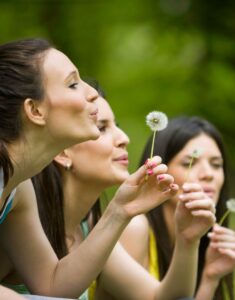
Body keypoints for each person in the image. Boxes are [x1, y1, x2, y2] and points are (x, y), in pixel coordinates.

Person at [0, 38, 177, 299]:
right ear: (35, 110)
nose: (92, 93)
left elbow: (51, 285)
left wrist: (119, 211)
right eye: (73, 84)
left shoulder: (19, 187)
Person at [4, 88, 216, 300]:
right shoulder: (17, 221)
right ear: (62, 151)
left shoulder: (91, 227)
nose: (124, 138)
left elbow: (162, 298)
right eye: (102, 128)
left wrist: (188, 240)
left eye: (118, 127)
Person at [119, 116, 235, 300]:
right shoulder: (135, 229)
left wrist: (210, 279)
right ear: (159, 171)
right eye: (189, 163)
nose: (208, 174)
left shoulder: (201, 241)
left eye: (216, 165)